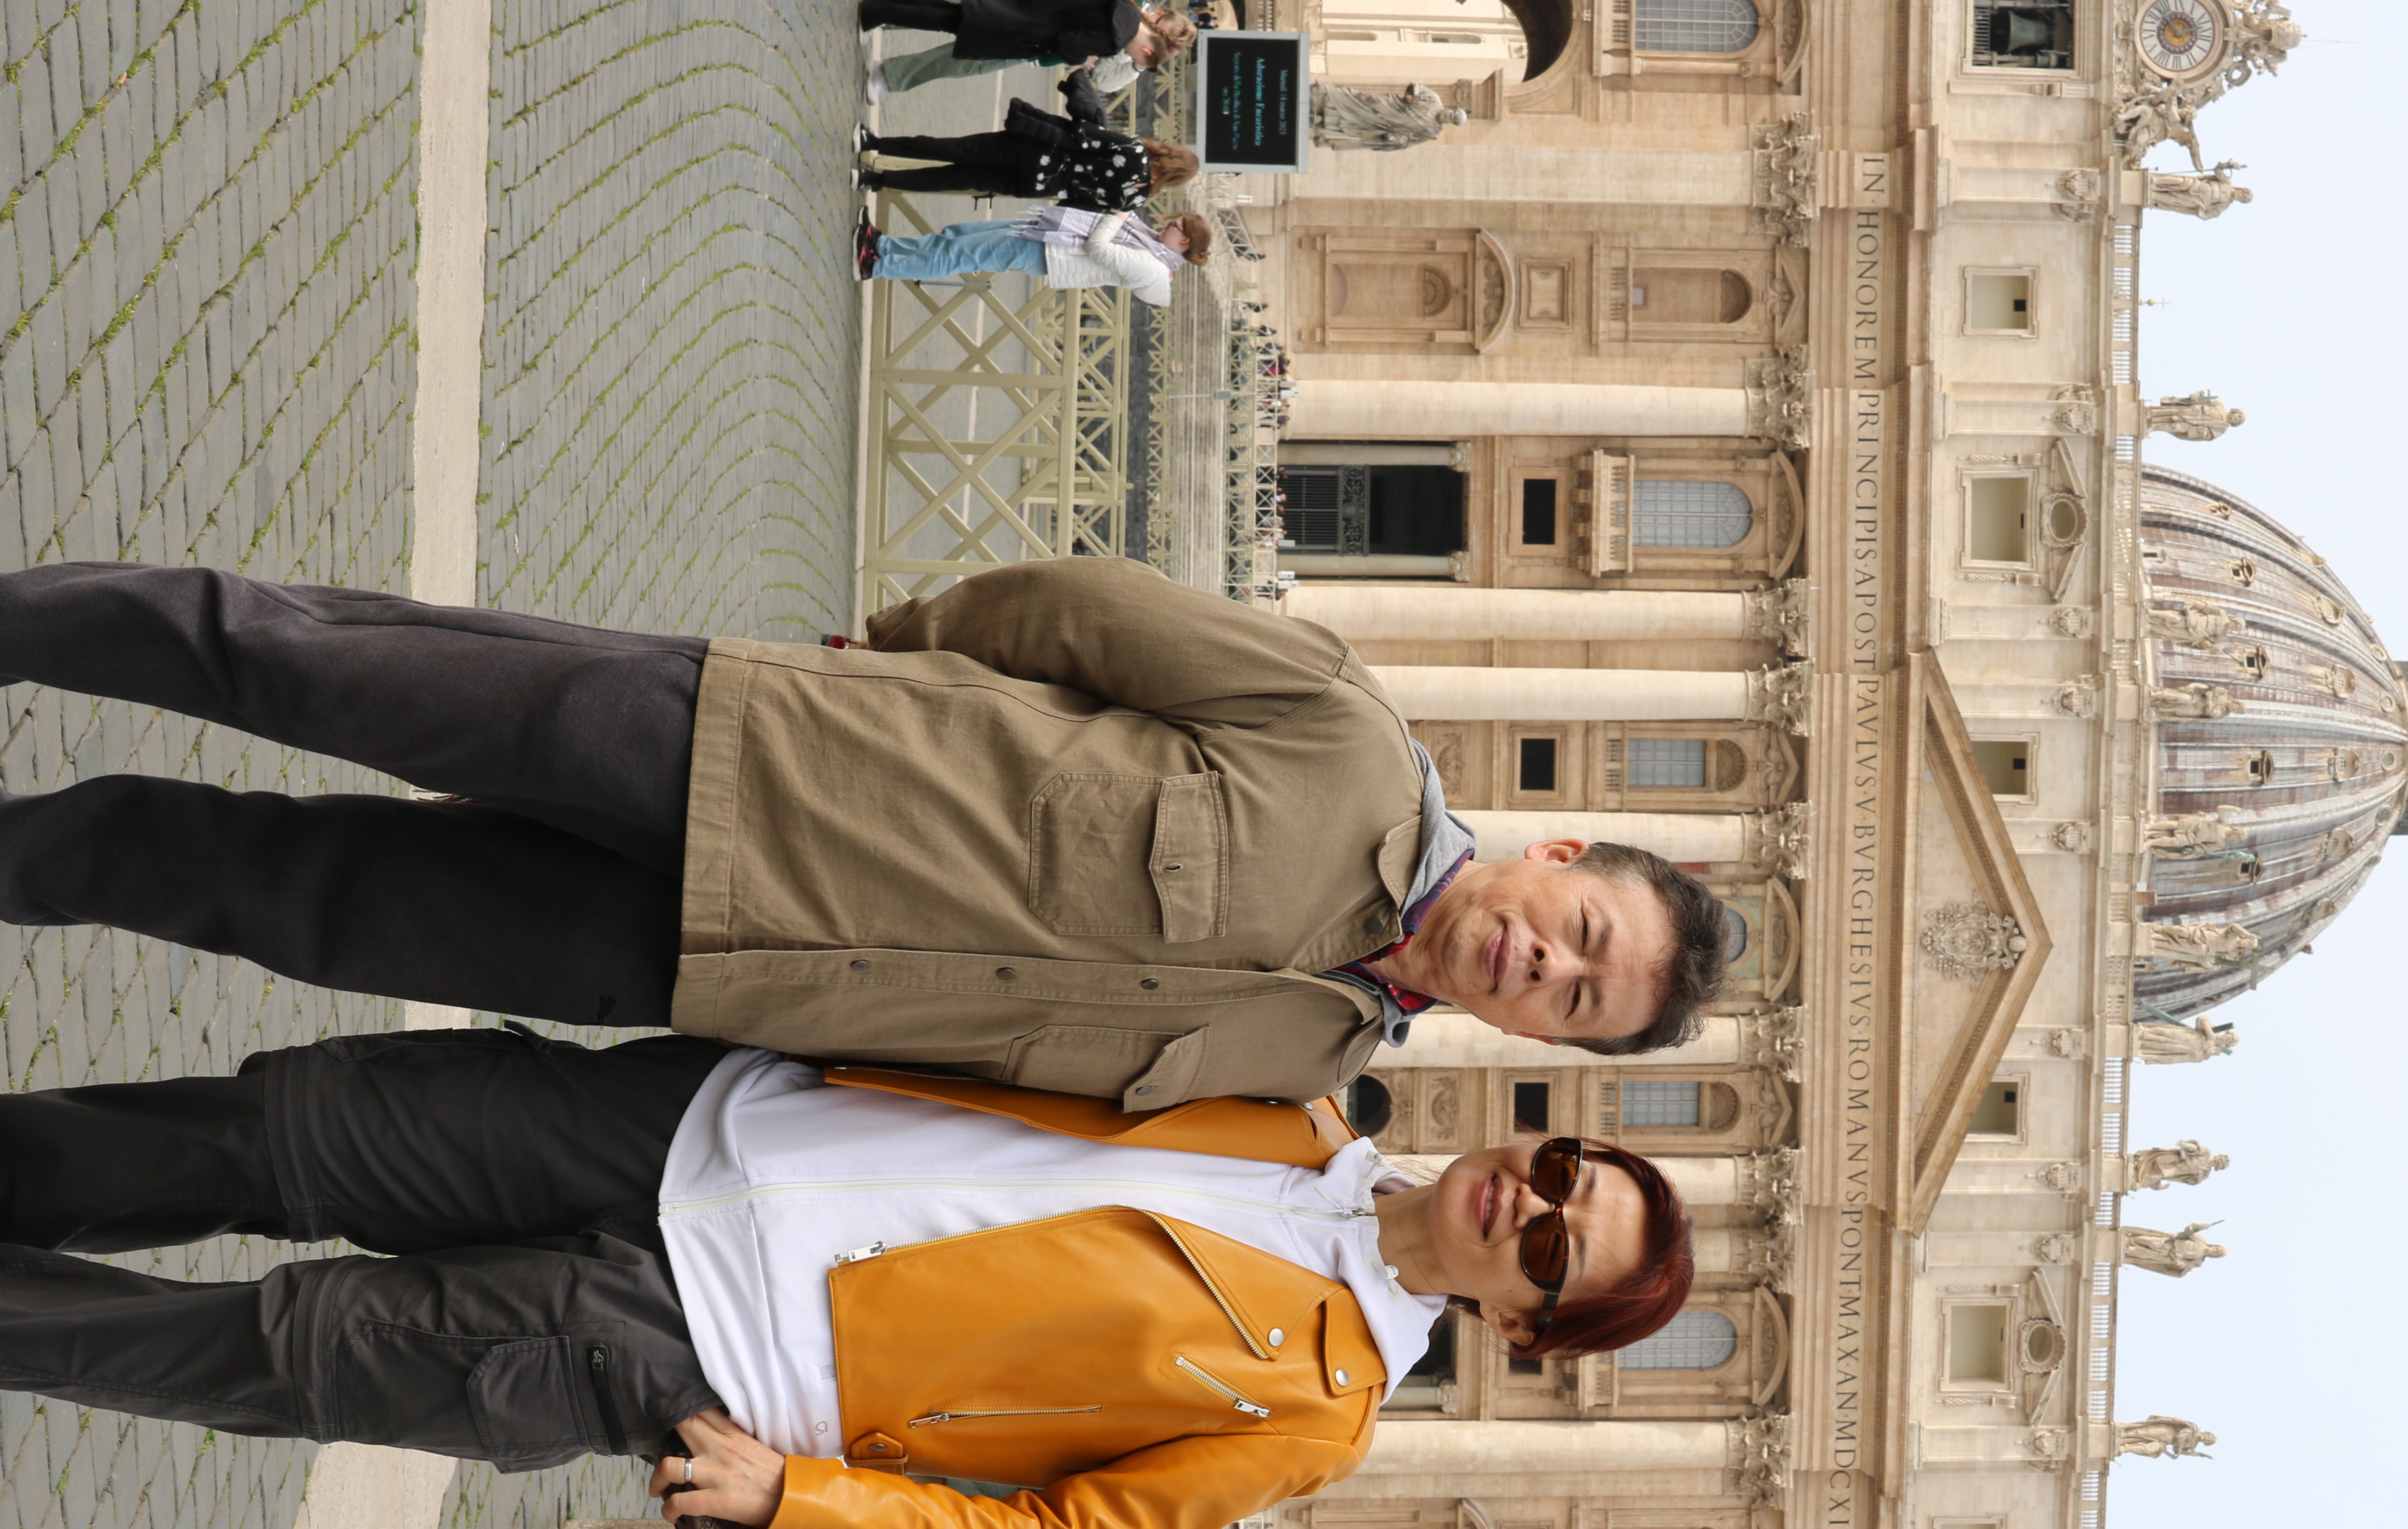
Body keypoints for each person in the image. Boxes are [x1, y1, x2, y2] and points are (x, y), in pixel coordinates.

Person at [0, 1023, 1695, 1529]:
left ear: (1531, 1330)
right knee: (258, 1132)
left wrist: (790, 1500)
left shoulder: (1314, 1411)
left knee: (261, 1351)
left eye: (1556, 1255)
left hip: (690, 1341)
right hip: (678, 1125)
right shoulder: (1291, 1093)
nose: (1529, 1207)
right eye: (1560, 1172)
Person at [0, 559, 1740, 1100]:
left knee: (283, 901)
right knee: (300, 664)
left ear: (1534, 1036)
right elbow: (1078, 611)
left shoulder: (1291, 1071)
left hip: (706, 967)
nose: (1542, 963)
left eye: (1572, 1000)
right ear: (1562, 860)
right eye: (1578, 934)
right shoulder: (1345, 739)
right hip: (741, 756)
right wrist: (877, 667)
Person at [859, 0, 1179, 83]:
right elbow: (1070, 45)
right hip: (1022, 27)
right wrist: (1082, 54)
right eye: (1139, 60)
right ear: (1147, 52)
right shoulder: (1114, 39)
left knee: (949, 11)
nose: (1131, 58)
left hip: (1027, 0)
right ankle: (876, 11)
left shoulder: (1127, 4)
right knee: (948, 20)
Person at [858, 208, 1215, 307]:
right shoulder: (1150, 242)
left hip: (1050, 252)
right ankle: (886, 246)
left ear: (1183, 240)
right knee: (960, 236)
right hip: (1047, 234)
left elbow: (1099, 250)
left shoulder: (1151, 266)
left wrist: (1116, 217)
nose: (1166, 223)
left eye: (1174, 225)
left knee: (961, 255)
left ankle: (878, 265)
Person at [872, 0, 1193, 109]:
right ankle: (884, 14)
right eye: (1163, 31)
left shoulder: (1133, 50)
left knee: (966, 57)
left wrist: (1135, 63)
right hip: (1038, 23)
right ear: (1162, 14)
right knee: (958, 17)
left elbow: (1106, 83)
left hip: (1036, 42)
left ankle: (888, 48)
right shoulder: (1130, 5)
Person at [859, 108, 1194, 210]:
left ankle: (876, 143)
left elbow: (1084, 136)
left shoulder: (1134, 151)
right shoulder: (1136, 199)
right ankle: (876, 181)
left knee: (953, 148)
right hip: (1035, 186)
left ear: (1171, 152)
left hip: (1037, 153)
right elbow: (1078, 206)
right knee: (954, 179)